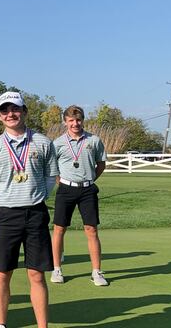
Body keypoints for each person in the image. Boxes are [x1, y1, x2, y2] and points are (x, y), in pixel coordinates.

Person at [0, 91, 58, 328]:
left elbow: (51, 175)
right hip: (6, 215)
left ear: (24, 111)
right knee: (3, 272)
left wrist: (39, 194)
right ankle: (0, 325)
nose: (10, 114)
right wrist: (5, 198)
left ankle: (42, 326)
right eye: (4, 110)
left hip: (35, 213)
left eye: (15, 109)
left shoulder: (43, 142)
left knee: (36, 274)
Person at [50, 105, 108, 286]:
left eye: (78, 120)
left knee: (91, 230)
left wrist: (89, 180)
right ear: (65, 122)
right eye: (71, 120)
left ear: (83, 120)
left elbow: (101, 164)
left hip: (87, 190)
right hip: (66, 190)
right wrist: (62, 182)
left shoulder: (94, 140)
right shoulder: (57, 143)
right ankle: (57, 269)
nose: (75, 124)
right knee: (59, 229)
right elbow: (53, 168)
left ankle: (96, 272)